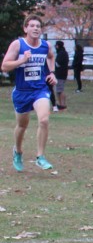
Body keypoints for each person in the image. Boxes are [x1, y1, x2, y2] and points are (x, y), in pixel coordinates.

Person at [3, 15, 57, 172]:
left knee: (44, 120)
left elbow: (51, 57)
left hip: (40, 90)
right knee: (22, 125)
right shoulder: (18, 45)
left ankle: (40, 157)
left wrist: (52, 73)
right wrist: (22, 61)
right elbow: (5, 66)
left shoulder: (45, 46)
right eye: (32, 25)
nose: (35, 28)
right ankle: (18, 151)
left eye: (38, 26)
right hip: (22, 92)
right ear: (25, 28)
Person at [54, 40, 70, 111]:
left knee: (60, 90)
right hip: (62, 73)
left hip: (60, 74)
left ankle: (62, 104)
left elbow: (58, 63)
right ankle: (60, 104)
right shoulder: (64, 53)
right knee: (59, 90)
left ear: (58, 46)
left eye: (56, 45)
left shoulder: (61, 53)